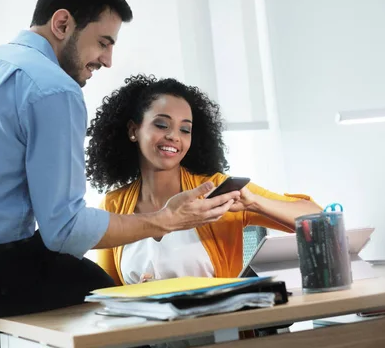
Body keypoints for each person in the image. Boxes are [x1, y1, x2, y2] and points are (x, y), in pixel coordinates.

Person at [0, 0, 241, 348]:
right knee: (122, 311)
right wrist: (162, 221)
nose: (106, 60)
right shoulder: (54, 88)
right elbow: (64, 229)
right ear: (62, 23)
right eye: (103, 42)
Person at [87, 74, 322, 285]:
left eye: (185, 130)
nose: (173, 136)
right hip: (148, 332)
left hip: (218, 331)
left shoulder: (218, 191)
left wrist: (255, 203)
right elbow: (108, 294)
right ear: (133, 130)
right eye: (161, 125)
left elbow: (319, 220)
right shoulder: (114, 205)